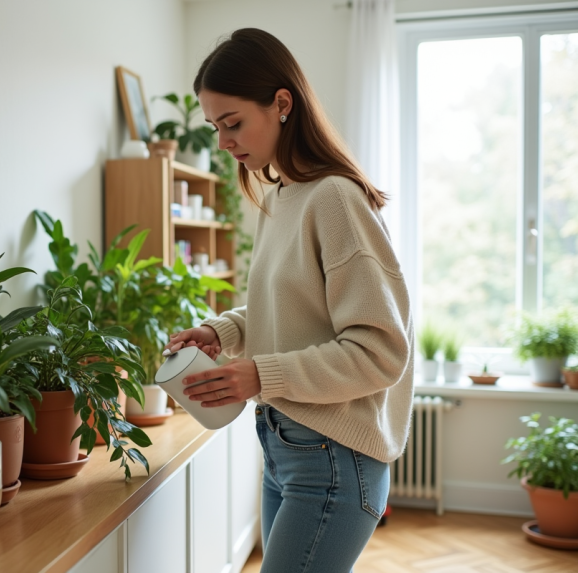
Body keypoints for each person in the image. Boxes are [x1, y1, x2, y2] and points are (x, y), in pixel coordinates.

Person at [164, 28, 414, 573]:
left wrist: (259, 375)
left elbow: (380, 351)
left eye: (233, 123)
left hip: (332, 457)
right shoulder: (279, 197)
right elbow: (294, 309)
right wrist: (223, 332)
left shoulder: (334, 199)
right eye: (215, 128)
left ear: (282, 104)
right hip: (286, 448)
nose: (223, 142)